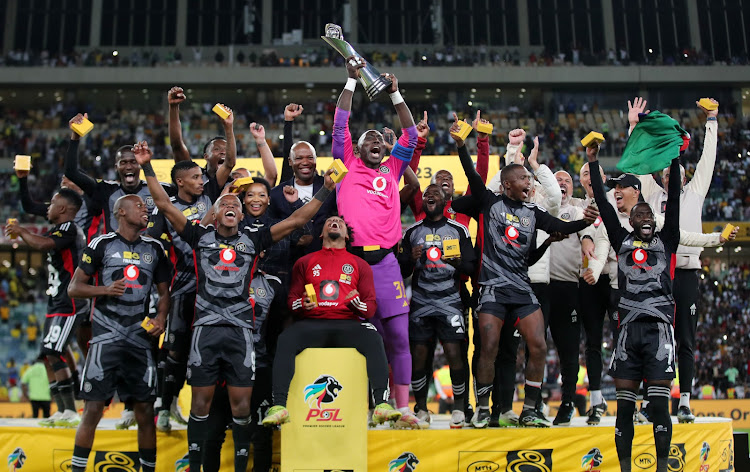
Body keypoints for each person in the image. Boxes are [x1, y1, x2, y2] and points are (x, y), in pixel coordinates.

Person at [135, 141, 336, 472]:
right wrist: (147, 167)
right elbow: (162, 203)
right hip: (206, 332)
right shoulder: (198, 236)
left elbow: (299, 218)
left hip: (242, 334)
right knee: (200, 404)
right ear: (213, 214)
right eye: (223, 203)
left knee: (242, 408)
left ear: (242, 215)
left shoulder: (254, 240)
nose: (229, 205)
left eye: (234, 204)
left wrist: (325, 190)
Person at [450, 116, 597, 428]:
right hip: (491, 288)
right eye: (523, 179)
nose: (529, 183)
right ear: (507, 185)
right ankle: (482, 408)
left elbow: (561, 226)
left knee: (539, 345)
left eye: (530, 180)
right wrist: (463, 146)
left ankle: (530, 409)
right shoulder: (489, 202)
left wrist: (585, 221)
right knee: (488, 347)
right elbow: (471, 174)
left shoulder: (534, 212)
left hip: (521, 287)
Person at [333, 57, 421, 428]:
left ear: (385, 150)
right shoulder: (346, 162)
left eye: (377, 140)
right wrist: (351, 82)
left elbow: (411, 136)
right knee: (361, 340)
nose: (372, 143)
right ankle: (365, 406)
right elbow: (341, 126)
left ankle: (402, 409)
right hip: (352, 266)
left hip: (386, 264)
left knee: (398, 337)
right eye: (365, 139)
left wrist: (396, 94)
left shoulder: (393, 168)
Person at [587, 142, 677, 472]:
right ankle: (625, 468)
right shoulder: (620, 238)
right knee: (624, 410)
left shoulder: (667, 240)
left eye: (647, 214)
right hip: (628, 334)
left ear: (654, 219)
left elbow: (676, 200)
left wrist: (675, 159)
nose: (643, 217)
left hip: (658, 334)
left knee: (658, 407)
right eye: (637, 215)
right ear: (631, 221)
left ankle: (662, 467)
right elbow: (603, 201)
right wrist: (593, 161)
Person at [262, 216, 401, 427]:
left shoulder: (360, 265)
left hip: (348, 323)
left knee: (374, 338)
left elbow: (370, 307)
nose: (333, 222)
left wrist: (356, 305)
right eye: (329, 221)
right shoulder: (305, 262)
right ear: (321, 233)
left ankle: (381, 403)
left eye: (339, 222)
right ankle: (280, 406)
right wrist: (303, 303)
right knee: (286, 339)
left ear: (347, 235)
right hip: (312, 324)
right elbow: (292, 301)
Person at [67, 194, 171, 472]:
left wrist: (161, 317)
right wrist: (105, 290)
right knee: (93, 409)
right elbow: (74, 288)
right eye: (138, 206)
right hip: (106, 338)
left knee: (145, 412)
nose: (145, 209)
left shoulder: (155, 248)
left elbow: (164, 293)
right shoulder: (101, 244)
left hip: (141, 339)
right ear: (121, 213)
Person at [638, 98, 720, 423]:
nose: (672, 175)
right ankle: (650, 402)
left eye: (677, 171)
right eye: (667, 172)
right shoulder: (653, 195)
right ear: (660, 177)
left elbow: (708, 161)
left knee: (685, 337)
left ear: (684, 177)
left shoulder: (694, 194)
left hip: (686, 273)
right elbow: (640, 166)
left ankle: (684, 400)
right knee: (653, 337)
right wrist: (639, 128)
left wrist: (711, 122)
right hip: (658, 275)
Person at [6, 185, 85, 428]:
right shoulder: (60, 227)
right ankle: (61, 410)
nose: (47, 208)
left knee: (54, 351)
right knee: (46, 355)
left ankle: (70, 410)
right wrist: (22, 180)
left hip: (69, 300)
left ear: (62, 208)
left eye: (51, 204)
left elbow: (42, 245)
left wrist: (21, 231)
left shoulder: (70, 229)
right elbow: (31, 206)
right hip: (56, 300)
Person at [399, 184, 476, 428]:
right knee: (419, 357)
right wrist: (410, 258)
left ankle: (460, 407)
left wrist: (457, 261)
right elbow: (402, 271)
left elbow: (471, 268)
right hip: (421, 302)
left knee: (455, 354)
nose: (430, 196)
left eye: (436, 194)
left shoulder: (459, 230)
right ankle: (421, 408)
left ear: (445, 202)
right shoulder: (412, 232)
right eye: (427, 194)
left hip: (450, 301)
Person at [147, 159, 213, 432]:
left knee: (203, 352)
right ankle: (164, 407)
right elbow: (152, 241)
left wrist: (229, 126)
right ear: (180, 182)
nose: (202, 181)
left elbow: (230, 160)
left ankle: (193, 410)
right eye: (196, 177)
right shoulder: (169, 209)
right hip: (182, 287)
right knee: (174, 350)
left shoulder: (210, 196)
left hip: (213, 290)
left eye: (202, 176)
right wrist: (146, 166)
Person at [269, 103, 337, 255]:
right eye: (299, 158)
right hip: (287, 262)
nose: (305, 162)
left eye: (309, 158)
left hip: (324, 258)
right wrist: (288, 122)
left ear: (316, 160)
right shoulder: (278, 193)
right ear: (290, 162)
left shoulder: (330, 188)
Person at [167, 86, 235, 200]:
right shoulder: (191, 174)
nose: (223, 152)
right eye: (217, 149)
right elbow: (177, 146)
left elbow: (229, 162)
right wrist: (173, 107)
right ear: (206, 156)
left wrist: (229, 127)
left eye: (226, 149)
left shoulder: (232, 181)